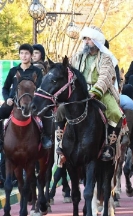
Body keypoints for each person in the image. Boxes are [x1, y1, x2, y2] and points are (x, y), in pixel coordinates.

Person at [55, 26, 122, 161]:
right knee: (60, 109)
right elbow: (69, 74)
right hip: (78, 93)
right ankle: (61, 145)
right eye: (84, 38)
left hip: (100, 92)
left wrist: (95, 92)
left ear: (97, 41)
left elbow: (105, 77)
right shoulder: (77, 57)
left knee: (115, 112)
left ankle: (109, 147)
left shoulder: (106, 58)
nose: (86, 41)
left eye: (89, 39)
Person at [0, 44, 45, 150]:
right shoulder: (13, 70)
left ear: (31, 55)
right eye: (22, 53)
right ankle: (1, 140)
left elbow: (40, 89)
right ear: (19, 55)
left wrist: (36, 101)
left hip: (31, 103)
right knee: (0, 113)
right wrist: (7, 99)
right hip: (13, 102)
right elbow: (5, 88)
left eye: (26, 53)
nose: (24, 56)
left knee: (46, 115)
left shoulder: (37, 71)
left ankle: (45, 138)